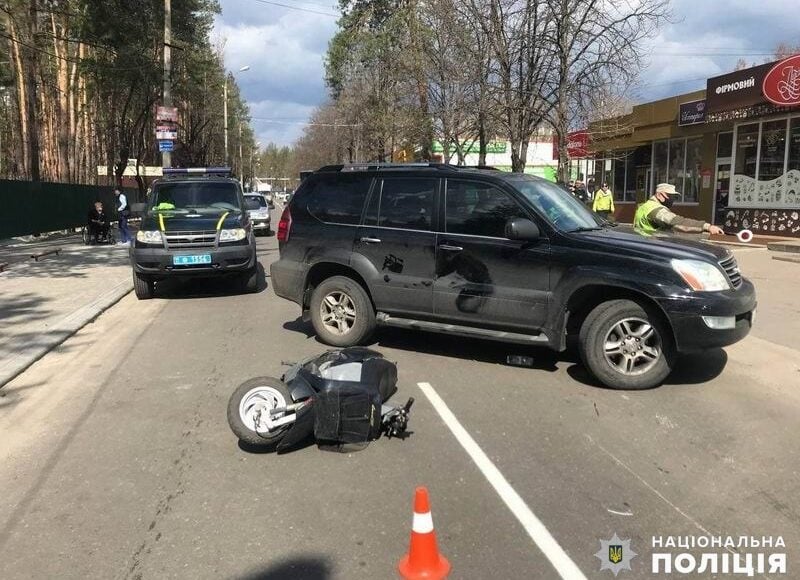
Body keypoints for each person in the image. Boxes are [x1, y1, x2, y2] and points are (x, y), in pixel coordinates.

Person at [634, 183, 724, 237]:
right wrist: (707, 227)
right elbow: (678, 223)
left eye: (674, 197)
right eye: (670, 196)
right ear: (659, 195)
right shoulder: (655, 210)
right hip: (654, 246)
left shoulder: (645, 206)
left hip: (647, 243)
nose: (672, 199)